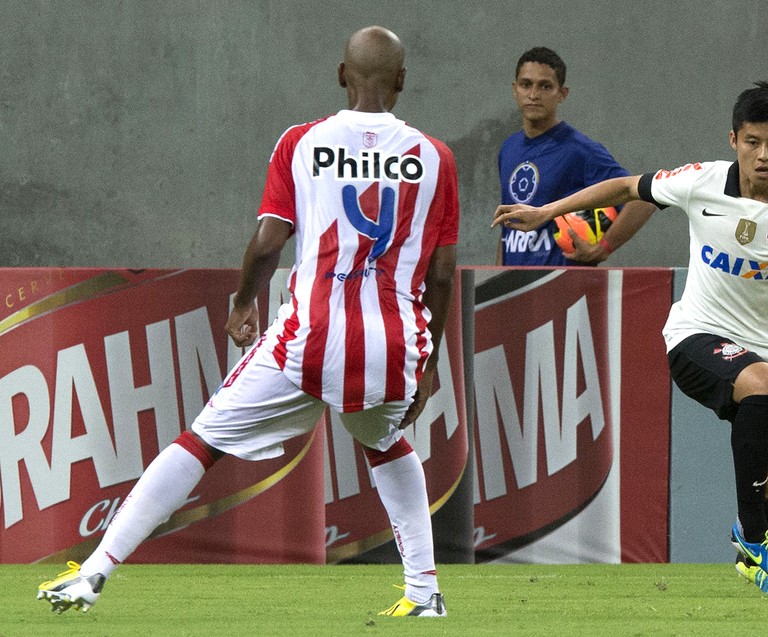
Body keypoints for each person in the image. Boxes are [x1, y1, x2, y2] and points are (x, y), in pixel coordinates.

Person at [37, 26, 456, 618]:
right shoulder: (436, 158)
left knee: (202, 440)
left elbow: (267, 242)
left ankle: (95, 571)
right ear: (403, 82)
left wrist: (243, 301)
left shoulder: (303, 142)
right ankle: (424, 593)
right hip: (394, 347)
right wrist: (430, 359)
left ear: (342, 75)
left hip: (309, 339)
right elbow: (441, 275)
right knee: (384, 440)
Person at [493, 81, 768, 593]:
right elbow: (626, 187)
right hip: (694, 338)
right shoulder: (699, 180)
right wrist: (549, 211)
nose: (763, 155)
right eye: (752, 142)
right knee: (759, 381)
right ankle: (752, 545)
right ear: (734, 140)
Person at [497, 46, 655, 266]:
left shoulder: (579, 150)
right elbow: (507, 225)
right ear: (515, 89)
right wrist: (496, 277)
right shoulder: (509, 148)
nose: (533, 95)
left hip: (561, 288)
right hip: (514, 289)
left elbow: (645, 200)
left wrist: (603, 249)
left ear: (562, 94)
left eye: (545, 86)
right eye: (526, 85)